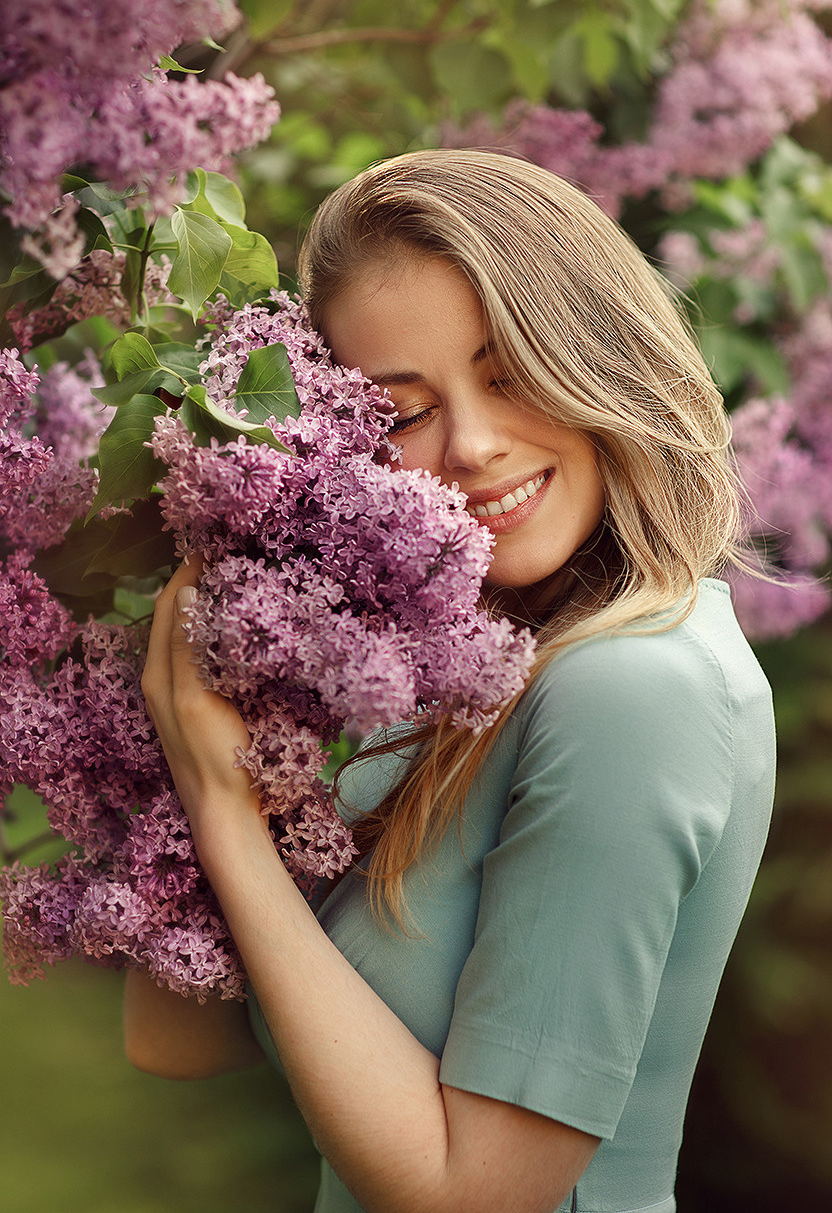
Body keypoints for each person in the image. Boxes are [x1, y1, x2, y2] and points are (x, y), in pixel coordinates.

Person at [129, 149, 776, 1213]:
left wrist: (222, 807)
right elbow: (176, 1035)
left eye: (509, 368)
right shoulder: (478, 683)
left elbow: (475, 1192)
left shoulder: (635, 691)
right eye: (402, 411)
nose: (472, 444)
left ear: (599, 355)